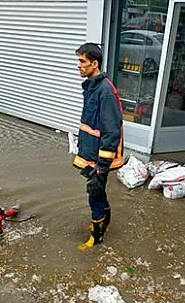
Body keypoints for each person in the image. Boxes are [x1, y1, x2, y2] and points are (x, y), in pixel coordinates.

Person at [74, 43, 125, 251]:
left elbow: (112, 131)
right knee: (98, 191)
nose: (78, 66)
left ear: (94, 64)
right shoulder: (92, 86)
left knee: (94, 193)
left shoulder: (105, 91)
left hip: (100, 157)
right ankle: (104, 223)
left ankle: (96, 237)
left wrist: (102, 168)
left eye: (82, 61)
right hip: (91, 152)